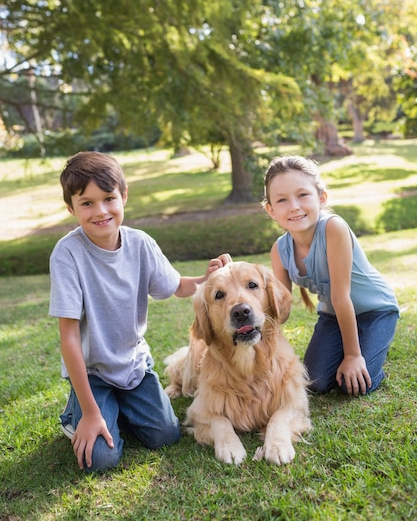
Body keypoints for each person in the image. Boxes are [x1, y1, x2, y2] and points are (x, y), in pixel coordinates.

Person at [49, 151, 231, 472]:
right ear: (71, 208)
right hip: (93, 373)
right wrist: (92, 415)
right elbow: (69, 338)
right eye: (87, 203)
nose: (101, 211)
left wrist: (208, 277)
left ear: (124, 196)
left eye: (108, 198)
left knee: (166, 435)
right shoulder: (67, 254)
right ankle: (77, 413)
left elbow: (176, 286)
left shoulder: (140, 244)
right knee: (101, 461)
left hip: (133, 367)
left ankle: (118, 408)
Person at [262, 155, 399, 397]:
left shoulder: (333, 228)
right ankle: (353, 352)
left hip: (375, 310)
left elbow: (341, 296)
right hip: (333, 316)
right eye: (282, 200)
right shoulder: (279, 250)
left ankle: (369, 353)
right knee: (315, 383)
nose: (294, 206)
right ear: (270, 210)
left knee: (353, 385)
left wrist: (353, 356)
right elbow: (279, 311)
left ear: (321, 198)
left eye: (303, 195)